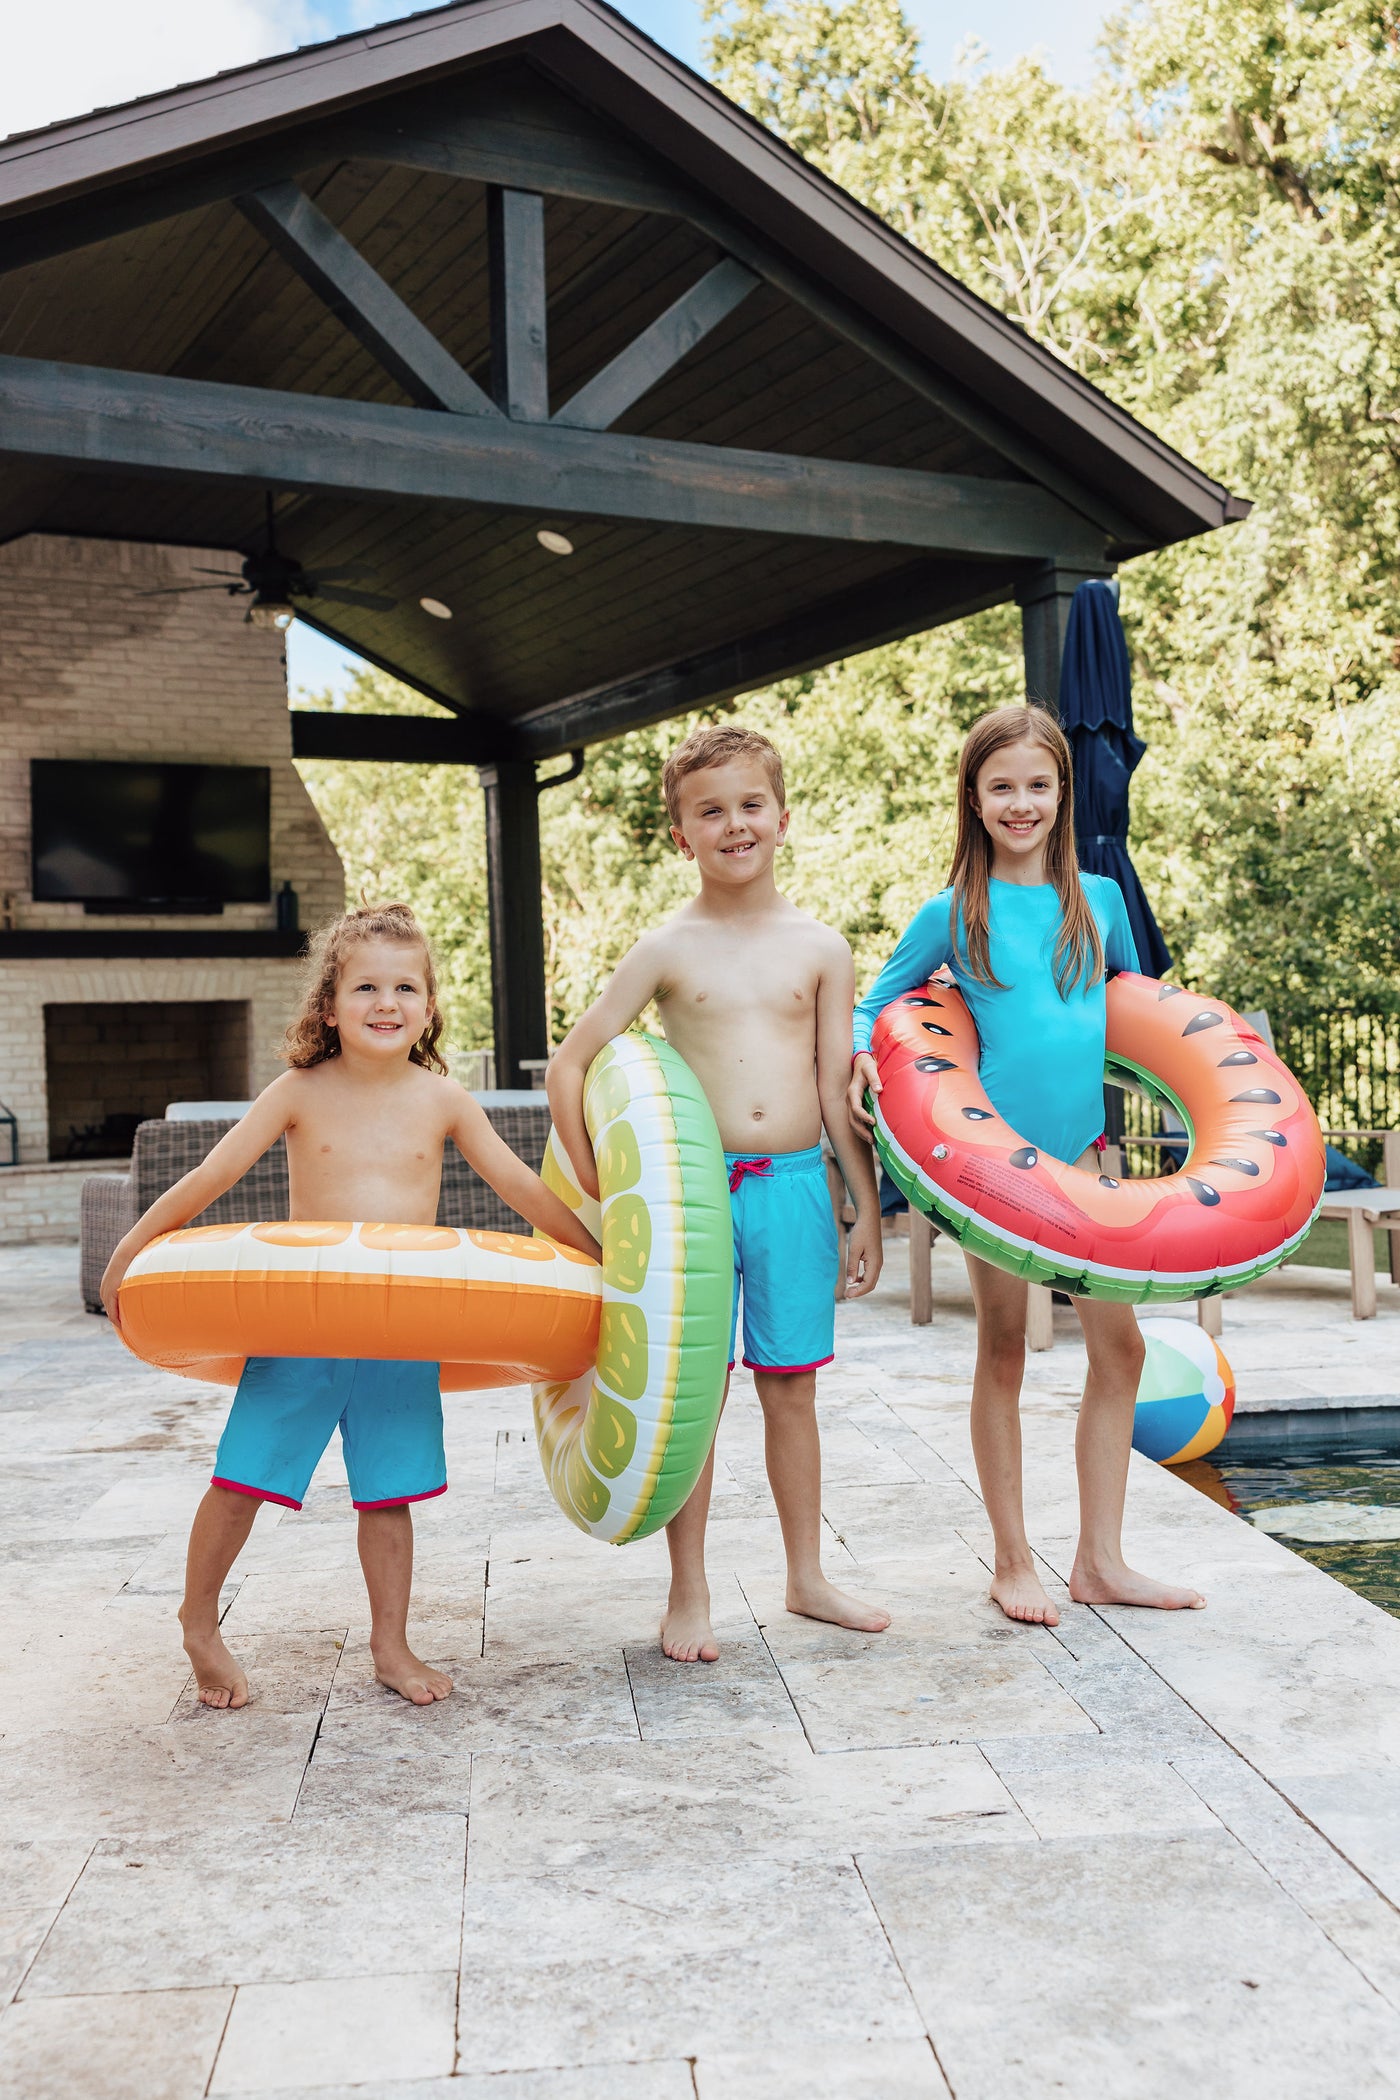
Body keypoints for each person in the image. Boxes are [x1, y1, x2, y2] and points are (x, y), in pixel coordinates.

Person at [101, 903, 600, 1711]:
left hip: (403, 1327)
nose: (386, 1002)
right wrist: (131, 1252)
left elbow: (521, 1189)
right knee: (243, 1479)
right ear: (329, 1005)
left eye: (406, 986)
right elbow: (211, 1178)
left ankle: (390, 1643)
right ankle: (199, 1620)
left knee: (389, 1492)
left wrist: (602, 1258)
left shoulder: (443, 1099)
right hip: (306, 1323)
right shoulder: (300, 1090)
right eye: (366, 985)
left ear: (430, 1007)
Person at [847, 704, 1205, 1626]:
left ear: (1061, 794)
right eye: (1001, 786)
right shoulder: (952, 912)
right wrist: (857, 1057)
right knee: (1002, 1349)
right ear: (973, 798)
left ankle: (1101, 1560)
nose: (1021, 803)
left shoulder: (1101, 900)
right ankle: (1012, 1560)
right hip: (996, 1174)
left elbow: (1132, 1013)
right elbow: (877, 1003)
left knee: (1118, 1347)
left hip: (1087, 1162)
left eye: (1037, 786)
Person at [548, 723, 890, 1663]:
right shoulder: (665, 949)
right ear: (680, 834)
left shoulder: (821, 948)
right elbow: (570, 1065)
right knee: (687, 1397)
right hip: (686, 1204)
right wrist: (595, 1186)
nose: (734, 824)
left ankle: (807, 1576)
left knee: (791, 1391)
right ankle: (688, 1592)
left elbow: (831, 1091)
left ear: (783, 818)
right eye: (710, 811)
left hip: (790, 1190)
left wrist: (860, 1204)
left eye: (750, 805)